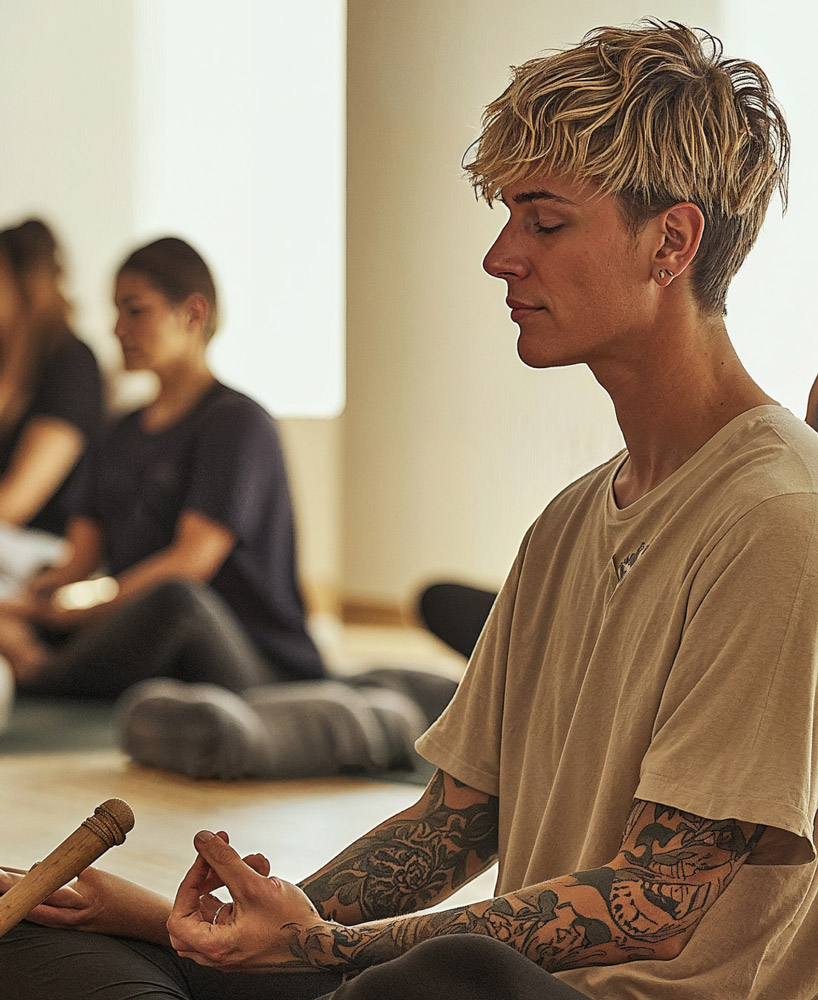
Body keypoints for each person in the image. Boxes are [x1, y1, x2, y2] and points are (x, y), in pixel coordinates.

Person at [1, 18, 816, 999]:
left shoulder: (777, 512)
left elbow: (653, 898)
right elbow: (454, 820)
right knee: (48, 939)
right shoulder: (568, 520)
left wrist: (325, 955)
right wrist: (230, 925)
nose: (500, 257)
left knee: (442, 977)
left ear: (669, 241)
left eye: (543, 221)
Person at [0, 236, 327, 698]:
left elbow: (190, 563)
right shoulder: (120, 430)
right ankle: (38, 664)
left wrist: (69, 617)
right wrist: (26, 605)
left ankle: (42, 677)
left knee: (177, 600)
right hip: (152, 641)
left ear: (193, 313)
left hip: (254, 662)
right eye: (116, 312)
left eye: (135, 311)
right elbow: (78, 559)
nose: (117, 329)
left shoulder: (237, 423)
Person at [0, 219, 103, 730]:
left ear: (26, 282)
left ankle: (20, 644)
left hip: (47, 555)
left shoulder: (71, 365)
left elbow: (16, 501)